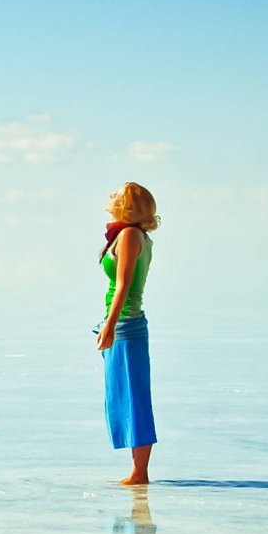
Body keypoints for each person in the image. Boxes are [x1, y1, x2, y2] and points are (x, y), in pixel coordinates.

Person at [96, 182, 158, 484]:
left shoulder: (131, 235)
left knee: (134, 398)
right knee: (123, 396)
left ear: (129, 206)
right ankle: (137, 471)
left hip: (126, 325)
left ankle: (139, 473)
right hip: (122, 323)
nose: (110, 195)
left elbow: (123, 286)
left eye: (116, 194)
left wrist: (109, 326)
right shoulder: (129, 234)